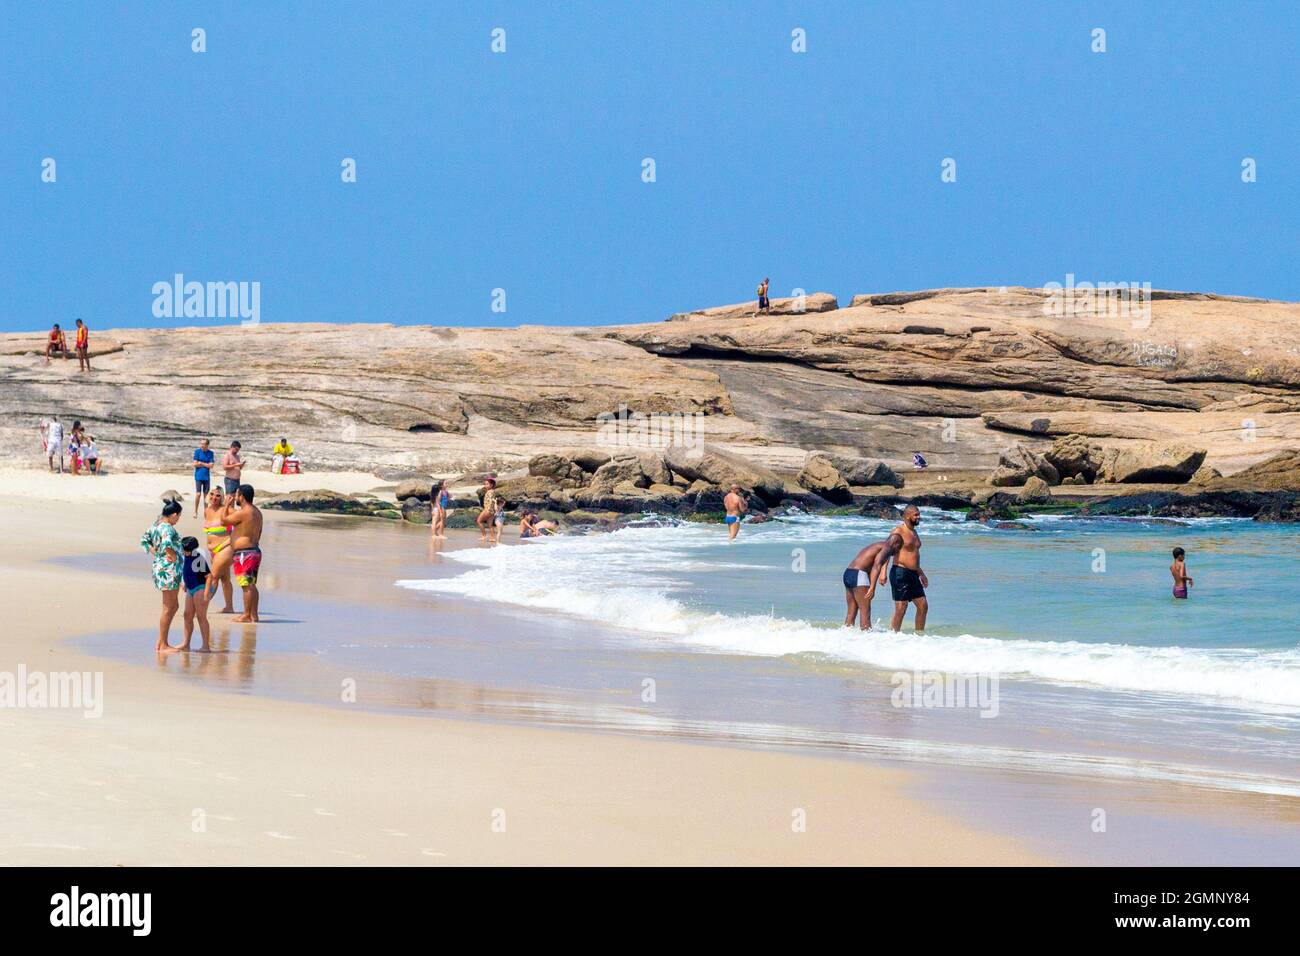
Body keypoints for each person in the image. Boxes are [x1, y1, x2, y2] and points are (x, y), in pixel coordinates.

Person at [139, 500, 185, 653]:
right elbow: (166, 544)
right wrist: (170, 556)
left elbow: (144, 541)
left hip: (163, 568)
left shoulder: (156, 525)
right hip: (168, 570)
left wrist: (157, 554)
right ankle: (163, 644)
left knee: (174, 606)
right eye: (178, 517)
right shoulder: (167, 528)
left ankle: (161, 641)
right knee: (168, 608)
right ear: (173, 515)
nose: (177, 520)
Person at [214, 484, 263, 623]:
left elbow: (223, 521)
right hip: (254, 551)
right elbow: (258, 532)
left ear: (241, 496)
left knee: (246, 585)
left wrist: (226, 506)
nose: (235, 497)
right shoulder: (257, 512)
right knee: (251, 584)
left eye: (236, 495)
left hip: (245, 553)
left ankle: (246, 615)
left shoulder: (244, 512)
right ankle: (254, 614)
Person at [842, 536, 901, 629]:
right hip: (859, 574)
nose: (898, 552)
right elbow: (876, 566)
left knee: (851, 612)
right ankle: (866, 640)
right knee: (865, 611)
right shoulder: (887, 547)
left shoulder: (878, 545)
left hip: (848, 572)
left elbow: (869, 565)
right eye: (899, 548)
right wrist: (872, 588)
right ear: (896, 544)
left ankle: (846, 636)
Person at [886, 505, 929, 631]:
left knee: (923, 605)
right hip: (900, 572)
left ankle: (919, 635)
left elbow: (913, 556)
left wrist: (921, 574)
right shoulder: (898, 531)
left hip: (914, 574)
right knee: (901, 607)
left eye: (919, 514)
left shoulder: (914, 532)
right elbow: (886, 551)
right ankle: (893, 636)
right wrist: (883, 572)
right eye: (916, 514)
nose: (918, 517)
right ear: (907, 516)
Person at [202, 488, 237, 613]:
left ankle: (202, 606)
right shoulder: (207, 511)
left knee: (213, 577)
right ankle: (229, 607)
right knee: (225, 579)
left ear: (222, 497)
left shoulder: (227, 510)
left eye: (218, 495)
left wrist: (228, 542)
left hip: (225, 547)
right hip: (213, 551)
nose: (214, 497)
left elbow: (241, 523)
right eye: (212, 494)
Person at [179, 537, 212, 652]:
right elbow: (188, 571)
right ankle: (186, 644)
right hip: (191, 589)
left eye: (184, 549)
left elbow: (209, 577)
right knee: (187, 615)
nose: (182, 551)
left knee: (201, 616)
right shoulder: (186, 556)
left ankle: (206, 646)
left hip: (200, 588)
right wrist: (185, 584)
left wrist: (206, 593)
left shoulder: (198, 558)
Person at [192, 439, 215, 517]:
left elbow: (211, 466)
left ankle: (206, 512)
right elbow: (195, 464)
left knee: (206, 495)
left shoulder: (211, 453)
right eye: (201, 444)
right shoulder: (197, 452)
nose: (202, 445)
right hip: (198, 476)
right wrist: (206, 464)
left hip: (206, 477)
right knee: (198, 494)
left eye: (203, 444)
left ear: (207, 445)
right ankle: (195, 511)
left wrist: (201, 463)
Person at [476, 477, 498, 541]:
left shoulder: (490, 492)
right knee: (490, 525)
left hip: (488, 509)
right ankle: (493, 538)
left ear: (491, 485)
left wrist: (488, 509)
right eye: (485, 484)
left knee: (479, 521)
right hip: (492, 511)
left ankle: (484, 535)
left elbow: (491, 501)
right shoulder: (492, 491)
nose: (485, 485)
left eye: (487, 484)